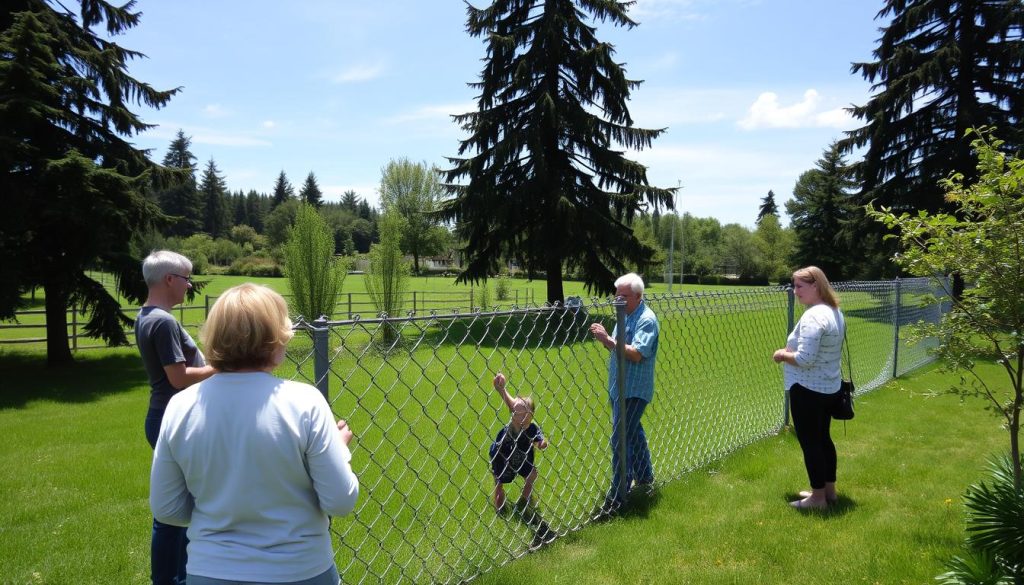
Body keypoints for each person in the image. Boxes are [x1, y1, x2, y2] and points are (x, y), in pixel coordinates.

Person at [149, 284, 359, 585]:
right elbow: (340, 501)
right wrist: (339, 451)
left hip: (210, 571)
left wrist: (220, 508)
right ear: (277, 340)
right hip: (301, 570)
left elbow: (167, 509)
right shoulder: (304, 401)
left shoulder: (180, 407)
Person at [136, 250, 216, 585]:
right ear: (170, 279)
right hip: (174, 421)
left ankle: (178, 576)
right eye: (186, 278)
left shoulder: (147, 315)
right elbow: (178, 378)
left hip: (165, 418)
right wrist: (221, 367)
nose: (189, 285)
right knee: (174, 512)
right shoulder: (164, 321)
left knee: (179, 505)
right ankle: (172, 579)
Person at [773, 266, 845, 510]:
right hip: (829, 387)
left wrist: (782, 354)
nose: (795, 291)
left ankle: (817, 498)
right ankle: (829, 492)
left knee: (811, 443)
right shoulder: (834, 311)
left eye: (800, 286)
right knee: (824, 439)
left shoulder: (814, 316)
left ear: (816, 285)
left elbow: (805, 359)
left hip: (808, 390)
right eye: (794, 286)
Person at [589, 272, 659, 509]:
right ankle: (645, 477)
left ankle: (619, 494)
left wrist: (607, 340)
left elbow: (637, 354)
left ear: (638, 296)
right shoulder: (625, 315)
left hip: (634, 390)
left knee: (620, 438)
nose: (617, 300)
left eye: (623, 296)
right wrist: (609, 339)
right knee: (633, 433)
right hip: (619, 388)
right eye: (616, 295)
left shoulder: (646, 320)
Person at [489, 372, 548, 511]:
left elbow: (539, 440)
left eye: (525, 415)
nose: (521, 418)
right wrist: (501, 388)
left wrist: (541, 444)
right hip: (503, 458)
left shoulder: (532, 428)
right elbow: (511, 404)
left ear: (531, 415)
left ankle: (524, 499)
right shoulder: (509, 427)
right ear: (512, 413)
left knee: (532, 474)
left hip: (523, 460)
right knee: (499, 482)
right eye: (517, 414)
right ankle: (500, 504)